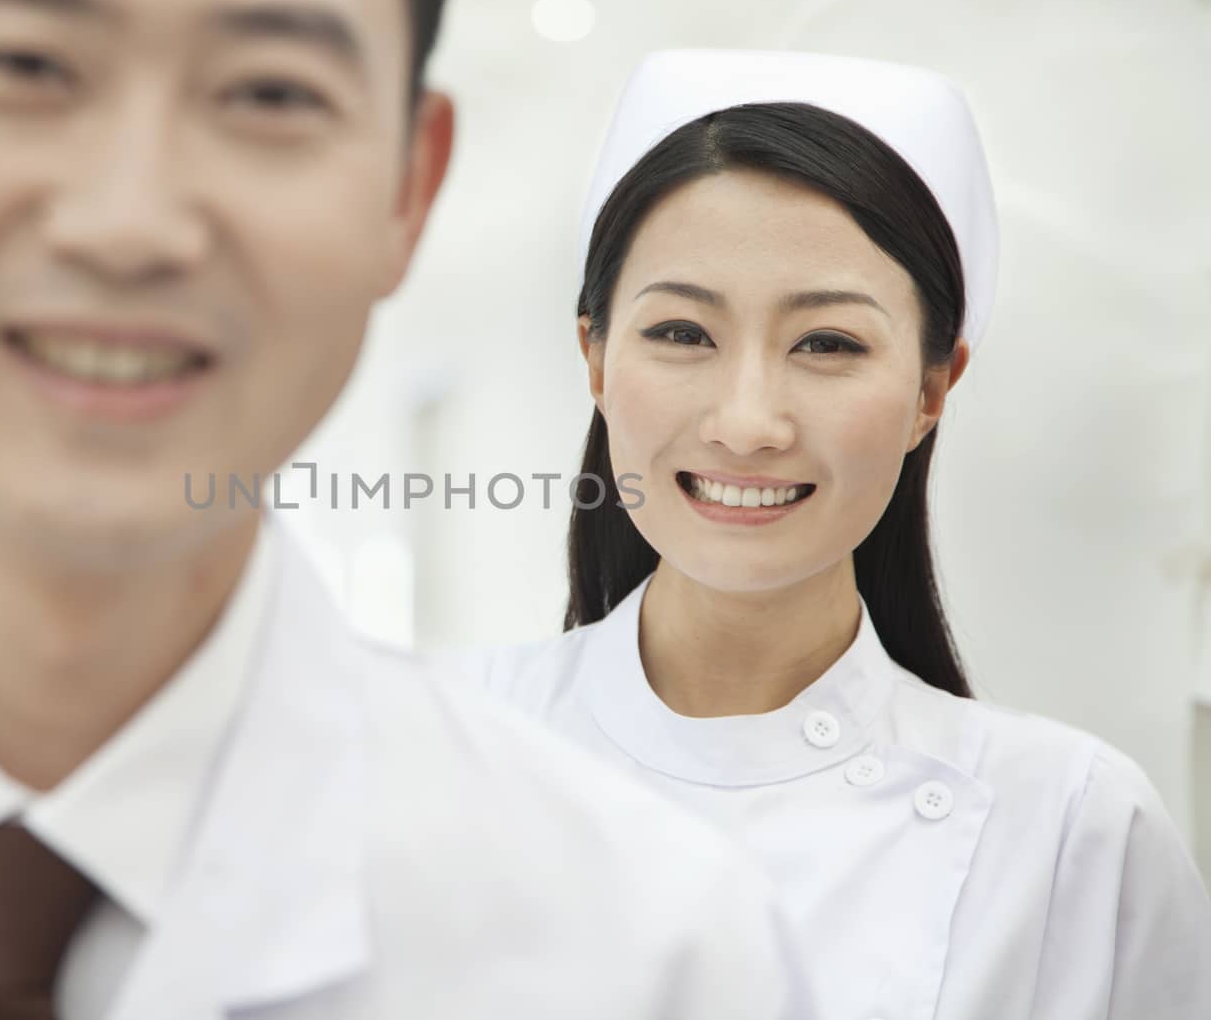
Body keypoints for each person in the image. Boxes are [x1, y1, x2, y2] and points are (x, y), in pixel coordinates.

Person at [0, 0, 820, 1020]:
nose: (130, 224)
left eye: (271, 93)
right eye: (24, 62)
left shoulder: (657, 957)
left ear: (408, 187)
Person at [447, 49, 1211, 1019]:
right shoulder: (425, 755)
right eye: (682, 332)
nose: (748, 420)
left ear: (932, 388)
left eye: (828, 343)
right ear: (594, 355)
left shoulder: (1070, 829)